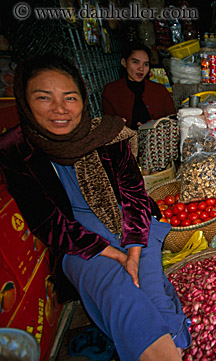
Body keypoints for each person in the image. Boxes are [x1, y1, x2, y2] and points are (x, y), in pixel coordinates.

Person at [0, 54, 190, 361]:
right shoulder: (16, 148)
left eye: (69, 98)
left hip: (131, 227)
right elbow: (45, 219)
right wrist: (113, 253)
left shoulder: (108, 135)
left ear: (83, 100)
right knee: (120, 290)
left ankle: (172, 342)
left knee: (151, 285)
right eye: (44, 98)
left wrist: (133, 250)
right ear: (25, 100)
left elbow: (135, 198)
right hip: (79, 243)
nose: (60, 109)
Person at [102, 43, 176, 130]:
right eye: (135, 62)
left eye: (145, 64)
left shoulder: (159, 90)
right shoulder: (111, 91)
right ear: (124, 62)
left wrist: (155, 125)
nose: (141, 68)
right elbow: (109, 128)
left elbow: (172, 120)